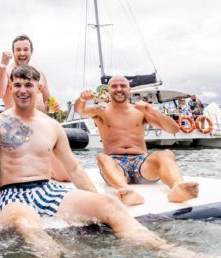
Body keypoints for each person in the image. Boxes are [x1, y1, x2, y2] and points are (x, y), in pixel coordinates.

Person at [0, 66, 197, 258]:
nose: (22, 90)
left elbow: (73, 169)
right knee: (27, 224)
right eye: (17, 85)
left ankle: (177, 253)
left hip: (47, 189)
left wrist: (96, 200)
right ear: (11, 87)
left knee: (110, 204)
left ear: (38, 88)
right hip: (13, 193)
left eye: (28, 85)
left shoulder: (52, 125)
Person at [74, 75, 199, 206]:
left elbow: (173, 129)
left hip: (142, 163)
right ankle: (127, 191)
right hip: (115, 165)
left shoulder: (140, 111)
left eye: (123, 86)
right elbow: (80, 110)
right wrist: (82, 99)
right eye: (114, 86)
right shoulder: (100, 111)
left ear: (129, 89)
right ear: (108, 90)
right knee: (102, 158)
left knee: (166, 154)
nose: (119, 89)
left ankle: (178, 188)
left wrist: (153, 111)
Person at [0, 34, 59, 112]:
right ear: (13, 52)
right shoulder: (5, 71)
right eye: (18, 49)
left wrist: (54, 106)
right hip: (14, 122)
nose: (22, 53)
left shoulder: (40, 75)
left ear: (31, 52)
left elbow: (49, 105)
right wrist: (3, 64)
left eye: (25, 49)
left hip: (38, 122)